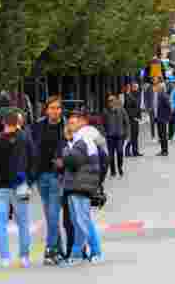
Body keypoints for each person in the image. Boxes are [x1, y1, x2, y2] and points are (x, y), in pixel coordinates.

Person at [62, 110, 105, 266]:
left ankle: (96, 251)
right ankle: (77, 253)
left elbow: (72, 161)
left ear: (82, 123)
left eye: (73, 123)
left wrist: (66, 150)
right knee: (77, 221)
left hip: (81, 185)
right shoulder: (79, 139)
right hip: (76, 185)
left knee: (83, 220)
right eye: (69, 123)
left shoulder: (82, 139)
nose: (70, 126)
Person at [0, 112, 32, 268]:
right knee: (23, 222)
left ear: (3, 122)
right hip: (20, 185)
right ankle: (24, 256)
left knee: (1, 223)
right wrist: (28, 180)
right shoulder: (24, 139)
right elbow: (32, 158)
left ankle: (4, 257)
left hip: (1, 186)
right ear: (18, 122)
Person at [29, 96, 66, 265]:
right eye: (52, 108)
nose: (55, 111)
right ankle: (59, 249)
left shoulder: (66, 126)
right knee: (49, 214)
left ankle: (50, 250)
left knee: (52, 214)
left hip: (57, 176)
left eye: (58, 108)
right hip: (41, 176)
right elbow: (30, 148)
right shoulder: (37, 126)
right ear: (46, 110)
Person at [103, 95, 129, 177]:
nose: (110, 102)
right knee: (110, 155)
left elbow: (126, 122)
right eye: (109, 101)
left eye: (112, 100)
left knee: (120, 152)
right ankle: (113, 171)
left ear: (115, 101)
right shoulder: (106, 111)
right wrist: (105, 133)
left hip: (119, 135)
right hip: (110, 136)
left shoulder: (121, 110)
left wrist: (127, 133)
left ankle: (120, 167)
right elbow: (103, 123)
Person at [124, 83, 143, 157]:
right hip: (130, 118)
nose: (135, 88)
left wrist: (139, 116)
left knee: (135, 135)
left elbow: (138, 105)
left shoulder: (137, 94)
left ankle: (135, 151)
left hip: (136, 118)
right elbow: (127, 106)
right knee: (131, 135)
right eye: (134, 87)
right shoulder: (128, 95)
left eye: (136, 87)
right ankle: (127, 151)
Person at [155, 83, 172, 156]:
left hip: (162, 118)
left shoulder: (164, 96)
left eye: (158, 88)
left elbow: (169, 107)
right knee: (161, 135)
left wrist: (167, 117)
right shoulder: (160, 95)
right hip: (159, 118)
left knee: (163, 135)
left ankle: (165, 151)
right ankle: (163, 150)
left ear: (161, 89)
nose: (157, 89)